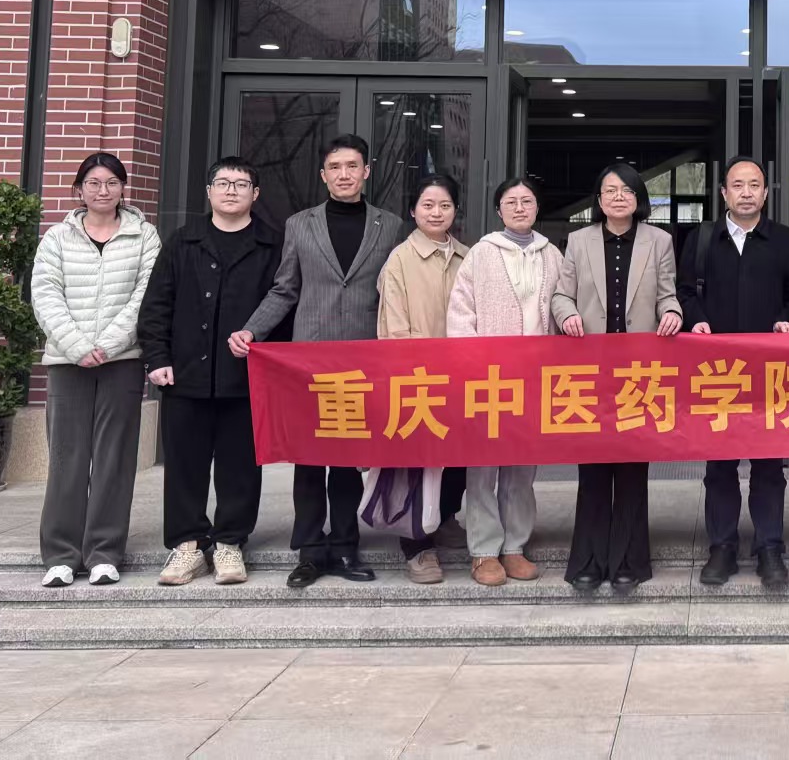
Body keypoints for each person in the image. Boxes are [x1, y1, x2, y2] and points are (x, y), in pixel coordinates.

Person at [231, 134, 404, 590]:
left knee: (349, 459)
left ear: (367, 171)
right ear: (324, 174)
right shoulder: (299, 224)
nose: (344, 174)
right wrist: (252, 330)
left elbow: (397, 290)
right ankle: (309, 551)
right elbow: (285, 288)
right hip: (310, 360)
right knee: (308, 457)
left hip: (364, 360)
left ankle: (345, 547)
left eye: (352, 166)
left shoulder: (389, 225)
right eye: (335, 167)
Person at [140, 157, 284, 588]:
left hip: (246, 378)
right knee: (184, 465)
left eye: (241, 184)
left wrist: (268, 353)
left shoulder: (272, 245)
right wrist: (157, 358)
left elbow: (284, 307)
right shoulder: (183, 242)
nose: (231, 190)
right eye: (223, 182)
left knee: (241, 467)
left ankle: (229, 542)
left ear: (255, 194)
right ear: (209, 192)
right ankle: (187, 545)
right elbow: (156, 304)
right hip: (185, 374)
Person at [679, 156, 789, 591]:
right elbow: (684, 292)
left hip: (770, 371)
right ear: (724, 193)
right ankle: (722, 546)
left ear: (766, 193)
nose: (747, 192)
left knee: (769, 464)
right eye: (738, 185)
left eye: (755, 185)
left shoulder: (785, 241)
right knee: (719, 463)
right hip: (717, 372)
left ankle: (769, 547)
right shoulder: (701, 239)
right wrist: (696, 321)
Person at [32, 153, 162, 588]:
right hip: (67, 362)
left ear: (123, 188)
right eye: (93, 182)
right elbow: (45, 294)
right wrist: (78, 346)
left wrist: (108, 345)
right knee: (66, 458)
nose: (102, 190)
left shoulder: (144, 236)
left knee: (114, 459)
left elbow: (146, 296)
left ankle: (105, 552)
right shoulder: (57, 237)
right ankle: (61, 555)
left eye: (111, 182)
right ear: (79, 189)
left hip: (121, 361)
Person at [552, 161, 682, 596]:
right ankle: (588, 562)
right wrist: (567, 315)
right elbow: (561, 295)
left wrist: (672, 313)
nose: (618, 197)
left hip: (638, 372)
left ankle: (629, 561)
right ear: (599, 199)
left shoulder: (660, 241)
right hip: (590, 369)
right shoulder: (579, 240)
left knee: (631, 468)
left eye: (626, 190)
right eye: (610, 191)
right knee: (592, 469)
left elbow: (668, 295)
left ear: (638, 198)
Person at [448, 176, 562, 586]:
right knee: (483, 464)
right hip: (489, 375)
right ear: (498, 210)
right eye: (510, 202)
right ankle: (483, 551)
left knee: (522, 465)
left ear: (537, 208)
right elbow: (460, 312)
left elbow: (563, 305)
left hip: (535, 375)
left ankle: (514, 545)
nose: (519, 208)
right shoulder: (481, 253)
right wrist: (471, 363)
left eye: (526, 201)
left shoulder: (552, 254)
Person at [375, 174, 469, 585]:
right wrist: (414, 369)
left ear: (455, 211)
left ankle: (445, 518)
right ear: (413, 210)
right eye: (427, 205)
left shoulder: (468, 257)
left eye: (444, 205)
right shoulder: (399, 259)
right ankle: (416, 546)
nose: (436, 212)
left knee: (459, 456)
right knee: (416, 461)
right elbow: (393, 326)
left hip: (463, 376)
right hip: (417, 376)